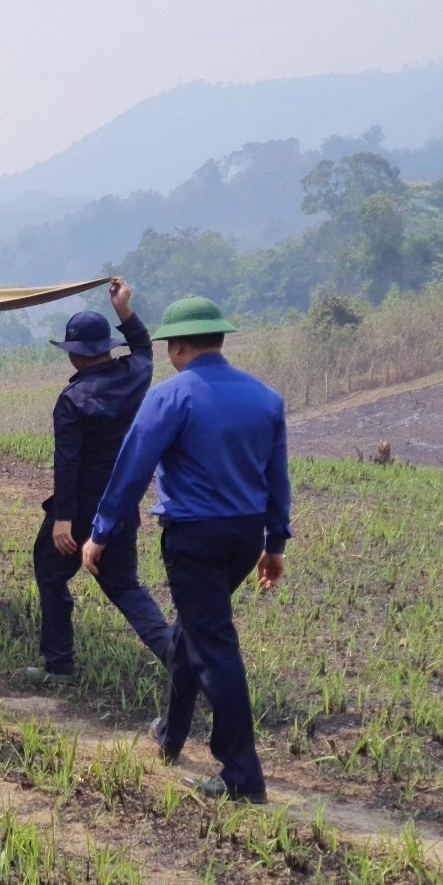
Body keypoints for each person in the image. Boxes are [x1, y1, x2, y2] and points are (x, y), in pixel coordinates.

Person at [82, 296, 290, 804]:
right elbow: (277, 477)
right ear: (219, 339)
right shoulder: (266, 398)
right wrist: (275, 544)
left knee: (213, 644)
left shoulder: (172, 396)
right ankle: (172, 734)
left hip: (195, 536)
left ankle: (243, 775)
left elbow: (132, 468)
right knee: (194, 632)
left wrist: (101, 531)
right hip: (244, 537)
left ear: (175, 347)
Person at [26, 277, 176, 684]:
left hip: (80, 512)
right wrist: (124, 310)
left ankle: (59, 663)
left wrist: (62, 519)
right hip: (121, 506)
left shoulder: (71, 401)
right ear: (107, 348)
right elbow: (145, 348)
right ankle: (175, 656)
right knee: (126, 587)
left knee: (50, 573)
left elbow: (68, 464)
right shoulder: (135, 374)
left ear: (75, 354)